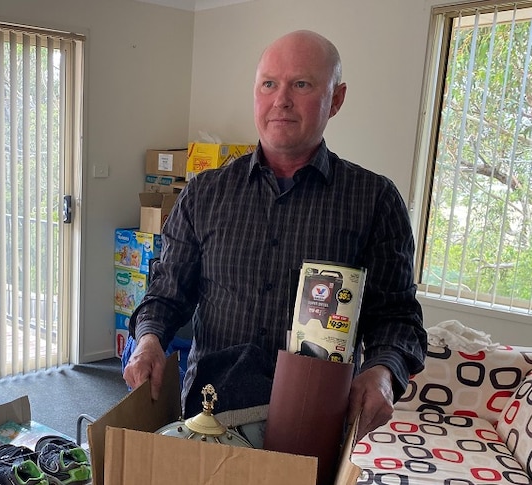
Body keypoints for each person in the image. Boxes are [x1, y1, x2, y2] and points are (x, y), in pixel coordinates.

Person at [122, 30, 427, 442]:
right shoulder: (204, 193)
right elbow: (166, 293)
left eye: (301, 84)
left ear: (336, 99)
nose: (281, 99)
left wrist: (384, 372)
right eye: (269, 84)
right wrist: (148, 339)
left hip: (314, 420)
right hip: (209, 415)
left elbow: (397, 317)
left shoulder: (374, 200)